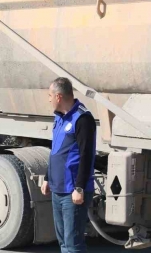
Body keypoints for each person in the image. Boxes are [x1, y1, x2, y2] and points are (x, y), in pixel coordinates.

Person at [41, 77, 96, 253]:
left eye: (50, 95)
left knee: (73, 245)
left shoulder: (82, 119)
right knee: (63, 243)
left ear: (58, 97)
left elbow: (86, 155)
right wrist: (47, 178)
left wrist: (79, 187)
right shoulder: (59, 118)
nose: (48, 99)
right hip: (58, 190)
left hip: (73, 192)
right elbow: (56, 151)